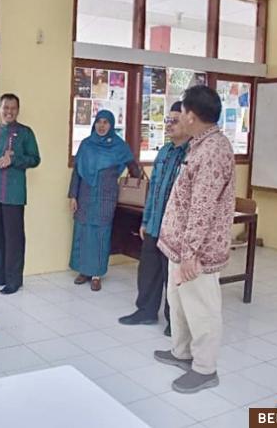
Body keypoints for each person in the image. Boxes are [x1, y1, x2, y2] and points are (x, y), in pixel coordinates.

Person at [152, 86, 235, 394]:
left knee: (202, 309)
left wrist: (190, 254)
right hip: (180, 247)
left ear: (192, 115)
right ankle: (182, 353)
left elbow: (202, 208)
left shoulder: (213, 151)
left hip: (196, 254)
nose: (178, 116)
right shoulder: (198, 145)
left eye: (182, 111)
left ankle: (204, 368)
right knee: (179, 303)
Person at [119, 101, 190, 335]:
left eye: (174, 120)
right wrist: (146, 221)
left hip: (177, 230)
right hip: (154, 224)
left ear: (189, 122)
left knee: (173, 277)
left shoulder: (192, 154)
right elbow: (154, 190)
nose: (168, 125)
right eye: (167, 120)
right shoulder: (164, 151)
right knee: (148, 270)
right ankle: (146, 311)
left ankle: (174, 321)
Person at [68, 110, 140, 292]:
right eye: (99, 122)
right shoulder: (86, 145)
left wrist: (135, 178)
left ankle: (96, 274)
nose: (101, 125)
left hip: (106, 195)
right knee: (83, 232)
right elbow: (76, 172)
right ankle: (83, 271)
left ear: (111, 125)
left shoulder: (119, 146)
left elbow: (133, 167)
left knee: (101, 233)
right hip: (84, 194)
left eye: (105, 122)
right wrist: (73, 196)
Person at [0, 94, 40, 295]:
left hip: (13, 193)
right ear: (0, 108)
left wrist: (14, 160)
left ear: (18, 110)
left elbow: (35, 159)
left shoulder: (25, 133)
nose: (9, 111)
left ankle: (14, 280)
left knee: (13, 238)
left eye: (13, 108)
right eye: (5, 107)